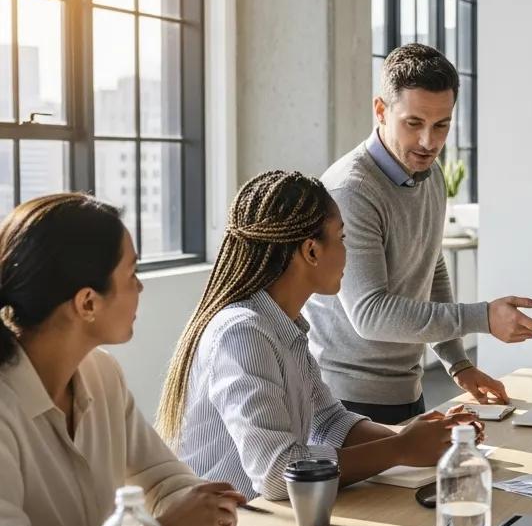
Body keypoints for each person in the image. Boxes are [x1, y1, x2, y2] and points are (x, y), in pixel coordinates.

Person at [161, 170, 482, 502]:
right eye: (342, 238)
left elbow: (329, 421)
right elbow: (276, 474)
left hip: (265, 521)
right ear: (311, 252)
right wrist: (400, 448)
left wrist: (428, 440)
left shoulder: (285, 325)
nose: (347, 252)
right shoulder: (243, 333)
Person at [0, 194, 244, 526]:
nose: (141, 286)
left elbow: (162, 478)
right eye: (132, 272)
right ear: (87, 303)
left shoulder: (100, 374)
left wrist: (200, 520)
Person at [304, 43, 532, 424]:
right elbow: (371, 314)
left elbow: (429, 265)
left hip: (407, 389)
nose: (429, 142)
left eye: (442, 126)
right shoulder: (351, 191)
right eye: (413, 123)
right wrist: (482, 318)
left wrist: (458, 364)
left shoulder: (429, 174)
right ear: (380, 110)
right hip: (344, 403)